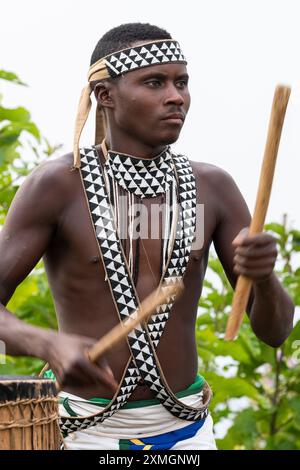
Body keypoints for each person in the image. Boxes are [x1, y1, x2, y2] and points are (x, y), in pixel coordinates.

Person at [0, 23, 294, 450]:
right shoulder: (58, 186)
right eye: (154, 82)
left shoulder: (213, 188)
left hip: (187, 434)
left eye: (182, 83)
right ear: (105, 96)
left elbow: (276, 331)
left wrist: (264, 278)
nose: (176, 96)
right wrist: (48, 343)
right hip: (85, 433)